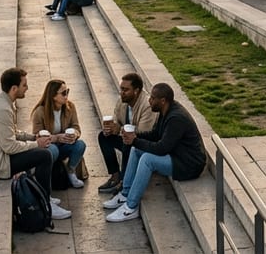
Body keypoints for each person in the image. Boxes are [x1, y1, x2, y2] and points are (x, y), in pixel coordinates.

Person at [0, 68, 71, 223]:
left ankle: (44, 195)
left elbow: (12, 132)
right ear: (14, 88)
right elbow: (9, 147)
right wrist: (36, 143)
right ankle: (46, 202)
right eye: (24, 85)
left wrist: (32, 137)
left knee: (39, 152)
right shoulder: (2, 109)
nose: (27, 88)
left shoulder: (5, 101)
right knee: (44, 155)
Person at [102, 83, 206, 223]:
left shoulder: (176, 118)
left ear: (162, 101)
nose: (149, 101)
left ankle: (130, 207)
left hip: (188, 163)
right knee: (136, 149)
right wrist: (135, 136)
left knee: (147, 159)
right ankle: (125, 194)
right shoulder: (165, 111)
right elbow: (155, 134)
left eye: (153, 98)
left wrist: (135, 140)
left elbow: (162, 148)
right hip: (176, 155)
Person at [96, 73, 158, 194]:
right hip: (129, 137)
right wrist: (112, 128)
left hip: (144, 143)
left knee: (128, 143)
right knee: (103, 136)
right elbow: (117, 120)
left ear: (136, 91)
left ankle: (124, 182)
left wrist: (119, 130)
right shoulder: (122, 101)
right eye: (121, 89)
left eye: (125, 90)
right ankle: (115, 176)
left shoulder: (146, 106)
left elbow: (143, 132)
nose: (122, 92)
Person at [31, 79, 87, 188]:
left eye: (67, 91)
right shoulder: (40, 112)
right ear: (53, 96)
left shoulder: (70, 107)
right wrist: (56, 138)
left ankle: (71, 171)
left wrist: (74, 135)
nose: (66, 96)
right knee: (53, 149)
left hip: (65, 145)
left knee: (80, 145)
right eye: (63, 93)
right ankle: (46, 179)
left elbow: (76, 127)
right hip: (49, 147)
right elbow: (36, 137)